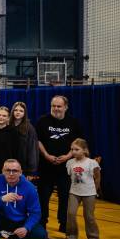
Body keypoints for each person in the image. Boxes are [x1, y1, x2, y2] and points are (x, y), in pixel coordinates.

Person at [36, 95, 84, 231]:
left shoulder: (73, 122)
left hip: (66, 168)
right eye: (53, 106)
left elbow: (79, 143)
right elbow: (37, 141)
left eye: (59, 106)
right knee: (43, 197)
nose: (56, 108)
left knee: (65, 197)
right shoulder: (42, 121)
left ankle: (63, 223)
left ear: (65, 107)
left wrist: (68, 156)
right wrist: (46, 155)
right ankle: (42, 223)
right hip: (46, 166)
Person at [65, 138, 101, 239]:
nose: (73, 152)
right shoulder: (70, 162)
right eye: (72, 149)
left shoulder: (92, 163)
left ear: (84, 150)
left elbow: (97, 177)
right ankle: (71, 236)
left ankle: (93, 238)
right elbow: (71, 177)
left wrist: (95, 191)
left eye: (77, 149)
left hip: (89, 193)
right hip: (74, 192)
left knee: (89, 216)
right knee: (71, 214)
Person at [11, 101, 39, 176]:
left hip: (23, 167)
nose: (18, 112)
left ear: (24, 113)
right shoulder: (8, 126)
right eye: (16, 110)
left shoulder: (29, 128)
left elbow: (32, 149)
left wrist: (31, 170)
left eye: (21, 111)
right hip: (8, 164)